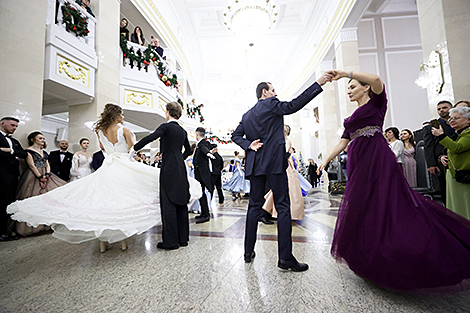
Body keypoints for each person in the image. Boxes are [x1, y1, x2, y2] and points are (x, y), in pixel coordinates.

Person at [318, 69, 470, 290]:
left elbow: (378, 80)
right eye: (348, 88)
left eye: (352, 87)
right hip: (358, 160)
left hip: (377, 157)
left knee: (387, 202)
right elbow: (344, 142)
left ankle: (405, 251)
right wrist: (325, 160)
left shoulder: (377, 103)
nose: (349, 91)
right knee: (363, 205)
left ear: (365, 87)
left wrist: (343, 73)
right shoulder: (351, 118)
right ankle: (369, 255)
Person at [7, 104, 163, 252]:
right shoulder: (125, 130)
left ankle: (104, 240)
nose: (123, 116)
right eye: (121, 113)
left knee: (105, 199)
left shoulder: (100, 131)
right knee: (129, 196)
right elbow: (132, 150)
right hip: (123, 164)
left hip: (108, 166)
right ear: (116, 115)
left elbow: (107, 148)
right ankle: (122, 236)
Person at [232, 72, 332, 270]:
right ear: (264, 92)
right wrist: (318, 84)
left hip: (256, 165)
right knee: (283, 206)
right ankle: (285, 258)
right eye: (273, 90)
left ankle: (247, 252)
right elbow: (294, 105)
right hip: (274, 163)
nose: (276, 93)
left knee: (254, 207)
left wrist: (248, 145)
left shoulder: (247, 114)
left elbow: (235, 135)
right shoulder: (272, 104)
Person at [131, 102, 198, 250]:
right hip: (180, 166)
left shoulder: (165, 127)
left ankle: (170, 242)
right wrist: (179, 157)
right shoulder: (182, 131)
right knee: (181, 201)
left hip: (168, 166)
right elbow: (188, 149)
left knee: (168, 203)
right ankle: (183, 239)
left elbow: (152, 137)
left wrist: (134, 148)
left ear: (167, 112)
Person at [14, 132, 66, 236]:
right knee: (32, 198)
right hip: (34, 175)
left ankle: (48, 224)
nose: (43, 140)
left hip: (46, 174)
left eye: (43, 138)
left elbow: (47, 164)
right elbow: (32, 165)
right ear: (33, 139)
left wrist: (46, 175)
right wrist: (40, 177)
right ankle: (30, 227)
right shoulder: (28, 151)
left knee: (50, 199)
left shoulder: (43, 151)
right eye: (40, 138)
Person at [431, 106, 470, 219]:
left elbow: (457, 148)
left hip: (464, 174)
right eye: (451, 118)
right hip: (453, 174)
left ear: (468, 120)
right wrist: (441, 157)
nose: (452, 120)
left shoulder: (468, 134)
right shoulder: (458, 134)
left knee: (465, 204)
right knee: (455, 204)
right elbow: (448, 150)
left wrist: (442, 136)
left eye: (456, 118)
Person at [263, 125, 305, 221]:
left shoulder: (287, 141)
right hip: (278, 166)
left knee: (289, 190)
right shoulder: (277, 140)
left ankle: (285, 213)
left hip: (285, 167)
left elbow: (283, 153)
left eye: (284, 131)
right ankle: (271, 211)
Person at [0, 117, 27, 241]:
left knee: (9, 203)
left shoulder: (14, 141)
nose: (15, 128)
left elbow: (24, 154)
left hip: (13, 176)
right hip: (1, 175)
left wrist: (10, 150)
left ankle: (6, 230)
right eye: (12, 125)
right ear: (2, 124)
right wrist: (14, 154)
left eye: (16, 126)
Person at [423, 100, 454, 203]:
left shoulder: (457, 123)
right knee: (446, 190)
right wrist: (431, 164)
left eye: (444, 108)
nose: (441, 110)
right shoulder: (432, 126)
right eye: (439, 109)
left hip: (457, 157)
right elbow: (428, 146)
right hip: (441, 160)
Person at [192, 127, 215, 224]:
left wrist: (209, 154)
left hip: (202, 172)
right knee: (200, 193)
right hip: (199, 172)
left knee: (202, 193)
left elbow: (205, 149)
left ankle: (206, 214)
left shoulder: (202, 144)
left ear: (197, 134)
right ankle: (204, 212)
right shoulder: (201, 144)